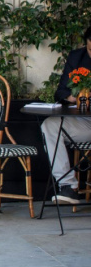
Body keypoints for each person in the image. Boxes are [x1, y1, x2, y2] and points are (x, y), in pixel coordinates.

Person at [41, 25, 91, 204]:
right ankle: (68, 186)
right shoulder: (77, 57)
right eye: (90, 48)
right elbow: (60, 92)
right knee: (49, 124)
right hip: (83, 120)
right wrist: (72, 97)